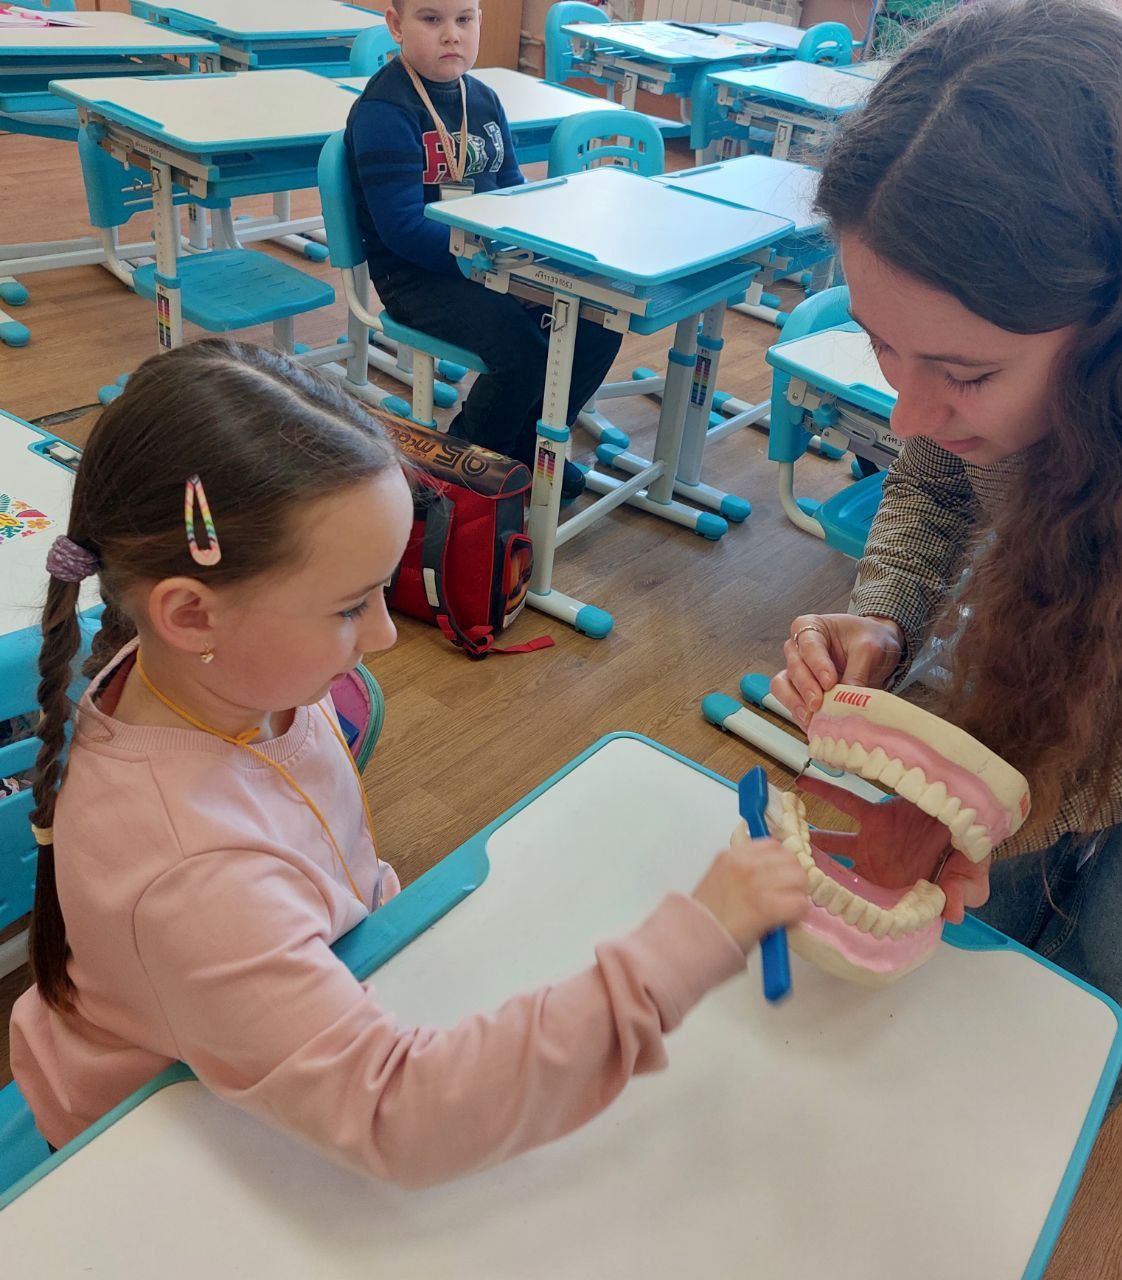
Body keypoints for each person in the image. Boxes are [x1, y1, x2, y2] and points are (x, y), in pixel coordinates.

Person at [9, 339, 809, 1182]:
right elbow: (402, 1117)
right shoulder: (194, 881)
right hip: (152, 1150)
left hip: (282, 1022)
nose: (386, 636)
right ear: (191, 616)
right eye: (351, 606)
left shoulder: (221, 676)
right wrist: (684, 951)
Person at [771, 0, 1122, 1103]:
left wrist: (986, 803)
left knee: (1102, 985)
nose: (908, 412)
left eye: (964, 374)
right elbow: (931, 479)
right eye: (881, 346)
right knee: (978, 923)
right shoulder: (968, 355)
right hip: (1050, 646)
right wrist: (889, 612)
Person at [345, 0, 624, 501]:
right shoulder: (384, 111)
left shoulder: (485, 100)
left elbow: (512, 192)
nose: (451, 34)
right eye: (432, 19)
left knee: (600, 325)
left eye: (464, 19)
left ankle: (530, 445)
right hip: (417, 278)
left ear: (479, 22)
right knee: (522, 353)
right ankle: (467, 466)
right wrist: (493, 266)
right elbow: (403, 229)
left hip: (492, 264)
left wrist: (536, 254)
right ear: (396, 25)